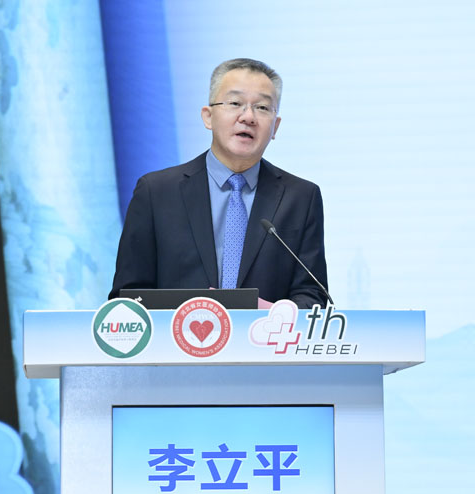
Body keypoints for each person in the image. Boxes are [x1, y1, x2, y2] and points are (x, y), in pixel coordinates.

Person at [109, 58, 328, 309]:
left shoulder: (300, 198)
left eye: (262, 107)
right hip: (175, 334)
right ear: (208, 117)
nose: (248, 117)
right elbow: (127, 297)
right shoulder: (156, 192)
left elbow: (312, 298)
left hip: (263, 334)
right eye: (235, 103)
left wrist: (270, 314)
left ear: (275, 126)